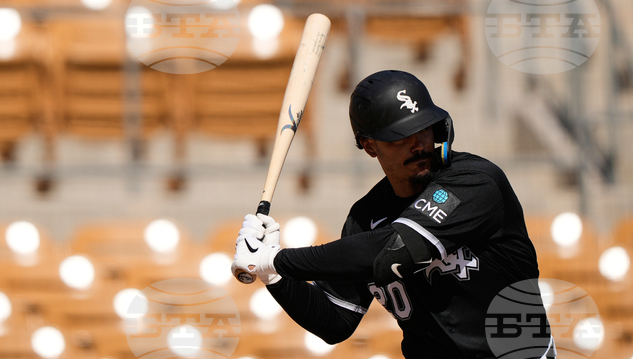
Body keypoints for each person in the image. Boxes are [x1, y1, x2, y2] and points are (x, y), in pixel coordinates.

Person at [232, 69, 555, 358]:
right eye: (402, 136)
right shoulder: (366, 217)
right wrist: (272, 276)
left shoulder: (473, 182)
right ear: (370, 146)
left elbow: (396, 249)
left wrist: (278, 259)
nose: (419, 144)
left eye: (425, 129)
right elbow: (334, 322)